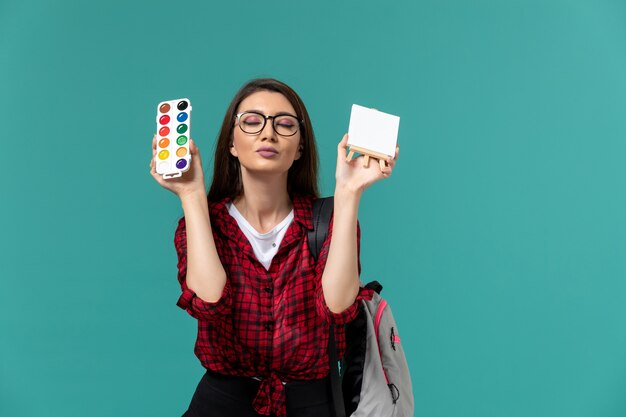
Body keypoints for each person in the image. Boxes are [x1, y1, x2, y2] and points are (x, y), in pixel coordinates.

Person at [149, 78, 399, 417]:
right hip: (223, 403)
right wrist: (191, 195)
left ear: (299, 149)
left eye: (284, 124)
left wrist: (349, 192)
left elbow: (337, 307)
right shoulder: (204, 223)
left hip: (312, 404)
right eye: (252, 122)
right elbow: (209, 301)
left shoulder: (327, 221)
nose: (268, 133)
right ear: (232, 144)